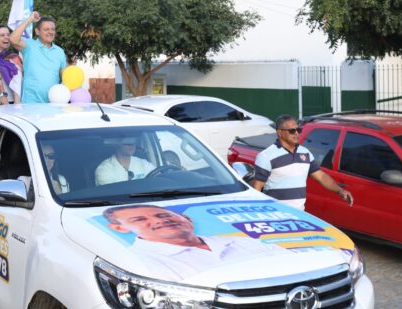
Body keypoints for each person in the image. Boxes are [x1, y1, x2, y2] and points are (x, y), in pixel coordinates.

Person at [103, 204, 287, 281]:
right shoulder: (137, 264)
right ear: (120, 228)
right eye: (139, 220)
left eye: (164, 215)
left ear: (187, 219)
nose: (162, 220)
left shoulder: (242, 240)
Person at [252, 114, 354, 211]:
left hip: (299, 214)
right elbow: (257, 188)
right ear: (279, 132)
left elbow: (321, 176)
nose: (296, 133)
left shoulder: (305, 153)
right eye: (292, 130)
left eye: (298, 129)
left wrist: (340, 191)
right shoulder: (266, 156)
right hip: (276, 215)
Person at [9, 12, 67, 103]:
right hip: (31, 103)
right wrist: (29, 20)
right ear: (37, 31)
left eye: (52, 29)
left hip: (53, 104)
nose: (50, 32)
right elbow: (12, 39)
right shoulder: (29, 45)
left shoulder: (60, 52)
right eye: (46, 29)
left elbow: (65, 78)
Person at [0, 24, 23, 104]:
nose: (6, 37)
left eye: (8, 35)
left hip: (14, 101)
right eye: (2, 35)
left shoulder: (14, 58)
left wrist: (17, 104)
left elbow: (18, 82)